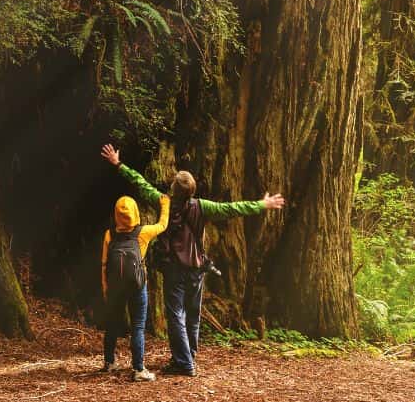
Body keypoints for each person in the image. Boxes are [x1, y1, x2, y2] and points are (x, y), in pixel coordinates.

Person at [100, 143, 285, 377]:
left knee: (176, 314)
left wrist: (118, 164)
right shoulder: (202, 207)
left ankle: (184, 362)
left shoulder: (163, 201)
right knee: (192, 314)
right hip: (197, 267)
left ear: (173, 188)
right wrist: (262, 204)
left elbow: (140, 183)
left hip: (174, 269)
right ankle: (188, 356)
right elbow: (233, 208)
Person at [101, 183, 169, 381]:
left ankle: (109, 362)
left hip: (115, 287)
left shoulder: (109, 234)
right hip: (137, 285)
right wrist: (165, 204)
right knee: (138, 326)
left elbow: (104, 264)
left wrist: (105, 288)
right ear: (135, 213)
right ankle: (139, 369)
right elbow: (163, 225)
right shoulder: (143, 233)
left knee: (112, 323)